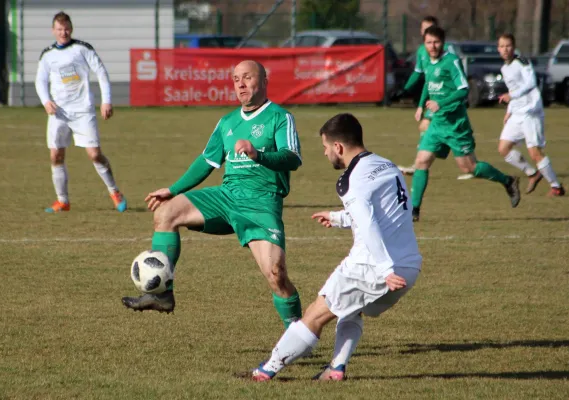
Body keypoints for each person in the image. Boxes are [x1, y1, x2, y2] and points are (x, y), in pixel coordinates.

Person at [121, 60, 304, 329]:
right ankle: (161, 294)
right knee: (166, 213)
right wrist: (172, 190)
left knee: (277, 276)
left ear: (264, 80)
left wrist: (258, 154)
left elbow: (292, 158)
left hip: (261, 203)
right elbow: (207, 161)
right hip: (226, 196)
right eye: (235, 79)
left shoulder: (279, 117)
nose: (240, 84)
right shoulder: (227, 122)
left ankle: (298, 333)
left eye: (247, 77)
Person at [249, 113, 422, 382]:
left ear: (338, 147)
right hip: (409, 266)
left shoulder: (350, 178)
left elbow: (367, 223)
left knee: (314, 315)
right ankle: (336, 369)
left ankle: (267, 369)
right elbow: (393, 211)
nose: (326, 153)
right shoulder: (386, 165)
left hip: (372, 267)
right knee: (350, 309)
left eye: (326, 147)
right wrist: (339, 217)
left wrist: (385, 268)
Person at [410, 26, 520, 222]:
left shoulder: (451, 62)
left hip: (456, 125)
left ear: (443, 42)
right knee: (421, 162)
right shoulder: (427, 61)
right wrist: (420, 105)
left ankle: (508, 181)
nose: (432, 46)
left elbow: (463, 89)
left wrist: (440, 103)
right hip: (436, 124)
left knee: (469, 168)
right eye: (429, 42)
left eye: (436, 42)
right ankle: (414, 211)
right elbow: (428, 83)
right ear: (424, 43)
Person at [35, 12, 126, 213]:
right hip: (58, 113)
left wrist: (106, 101)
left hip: (83, 111)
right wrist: (46, 101)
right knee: (56, 155)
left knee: (94, 155)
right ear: (53, 30)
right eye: (59, 29)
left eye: (66, 28)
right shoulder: (48, 55)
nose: (63, 32)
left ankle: (114, 191)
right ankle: (62, 201)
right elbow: (40, 80)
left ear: (71, 28)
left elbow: (101, 72)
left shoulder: (82, 49)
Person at [396, 17, 472, 180]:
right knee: (426, 129)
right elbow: (425, 79)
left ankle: (421, 163)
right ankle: (422, 162)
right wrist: (409, 94)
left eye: (430, 28)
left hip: (446, 104)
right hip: (434, 101)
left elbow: (458, 84)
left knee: (425, 126)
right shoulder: (422, 52)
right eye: (424, 29)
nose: (426, 32)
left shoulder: (447, 56)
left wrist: (436, 102)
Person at [496, 33, 565, 197]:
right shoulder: (504, 68)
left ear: (513, 47)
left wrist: (511, 97)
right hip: (517, 113)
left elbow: (531, 83)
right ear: (498, 49)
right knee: (503, 149)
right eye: (502, 46)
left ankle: (556, 187)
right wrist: (509, 111)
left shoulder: (522, 62)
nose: (505, 49)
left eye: (508, 46)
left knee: (535, 153)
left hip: (531, 111)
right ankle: (532, 174)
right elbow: (513, 89)